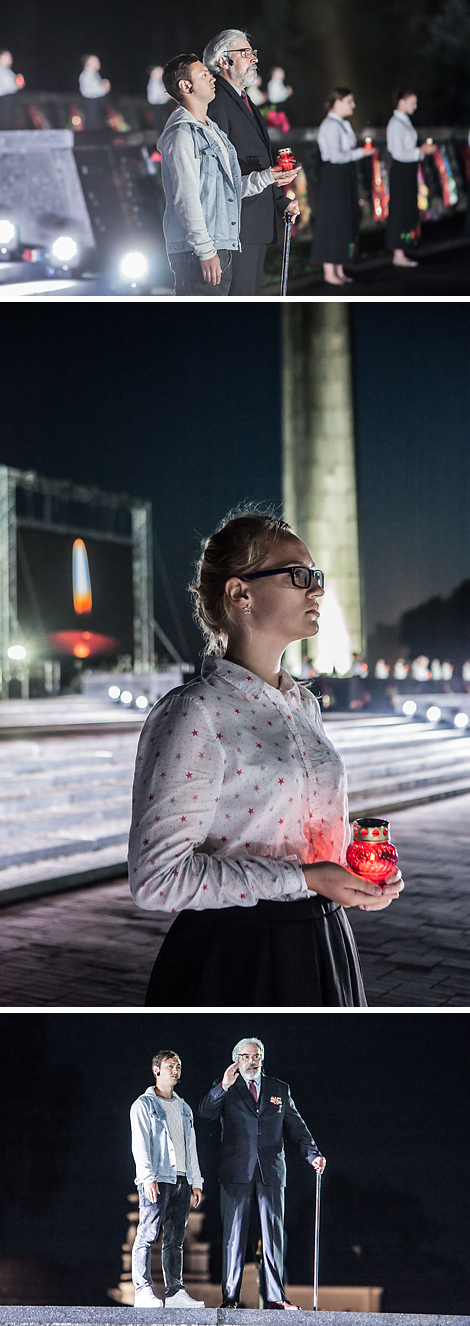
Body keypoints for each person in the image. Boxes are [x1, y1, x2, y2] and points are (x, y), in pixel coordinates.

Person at [128, 509, 403, 1007]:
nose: (316, 589)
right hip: (236, 954)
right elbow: (156, 880)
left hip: (322, 939)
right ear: (240, 593)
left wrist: (354, 872)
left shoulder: (303, 704)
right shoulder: (195, 712)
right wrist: (304, 878)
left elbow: (296, 840)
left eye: (316, 576)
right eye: (299, 575)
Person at [198, 1036, 326, 1309]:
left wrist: (313, 1154)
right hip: (235, 1171)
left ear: (262, 1059)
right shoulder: (227, 1089)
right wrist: (223, 1085)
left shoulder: (279, 1088)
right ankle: (230, 1297)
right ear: (236, 1061)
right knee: (234, 1236)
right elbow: (205, 1113)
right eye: (245, 1056)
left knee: (273, 1236)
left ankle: (276, 1297)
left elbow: (297, 1126)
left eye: (255, 1056)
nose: (251, 1061)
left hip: (271, 1171)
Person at [157, 53, 298, 296]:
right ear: (185, 86)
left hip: (221, 244)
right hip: (198, 251)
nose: (211, 77)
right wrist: (205, 251)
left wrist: (268, 176)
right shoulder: (181, 134)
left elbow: (228, 189)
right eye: (203, 74)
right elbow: (186, 199)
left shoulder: (214, 132)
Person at [203, 30, 299, 295]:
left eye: (253, 53)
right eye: (245, 53)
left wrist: (281, 201)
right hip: (235, 229)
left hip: (256, 221)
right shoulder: (217, 103)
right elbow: (219, 173)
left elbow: (255, 160)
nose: (254, 59)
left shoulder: (246, 100)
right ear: (224, 61)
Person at [130, 1049, 204, 1310]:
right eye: (170, 1066)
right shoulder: (144, 1105)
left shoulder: (184, 1108)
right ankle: (142, 1290)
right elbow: (140, 1144)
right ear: (156, 1070)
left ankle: (175, 1293)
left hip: (182, 1180)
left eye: (179, 1066)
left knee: (176, 1240)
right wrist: (147, 1177)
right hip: (157, 1179)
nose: (175, 1070)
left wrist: (196, 1181)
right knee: (147, 1233)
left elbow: (191, 1146)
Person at [310, 87, 373, 286]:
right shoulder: (330, 125)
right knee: (333, 220)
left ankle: (338, 268)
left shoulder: (342, 124)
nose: (353, 105)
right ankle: (329, 271)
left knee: (344, 218)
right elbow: (336, 156)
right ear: (337, 102)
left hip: (344, 173)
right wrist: (360, 154)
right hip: (334, 175)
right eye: (349, 101)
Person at [386, 89, 436, 267]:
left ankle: (403, 249)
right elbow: (397, 151)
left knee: (408, 208)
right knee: (400, 208)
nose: (415, 106)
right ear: (402, 102)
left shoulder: (404, 121)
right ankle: (398, 253)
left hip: (409, 168)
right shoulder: (395, 123)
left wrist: (420, 152)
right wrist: (420, 151)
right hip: (401, 169)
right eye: (412, 102)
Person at [78, 54, 111, 130]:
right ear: (87, 63)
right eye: (94, 61)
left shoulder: (95, 74)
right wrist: (104, 89)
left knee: (99, 125)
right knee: (92, 125)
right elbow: (91, 91)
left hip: (97, 101)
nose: (98, 63)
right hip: (90, 102)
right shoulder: (86, 75)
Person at [146, 64, 172, 131]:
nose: (161, 73)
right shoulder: (153, 84)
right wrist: (166, 95)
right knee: (159, 125)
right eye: (159, 72)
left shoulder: (159, 83)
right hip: (157, 106)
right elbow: (154, 98)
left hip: (162, 105)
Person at [0, 50, 21, 130]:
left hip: (9, 99)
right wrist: (15, 86)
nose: (10, 59)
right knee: (4, 124)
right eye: (7, 57)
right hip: (3, 99)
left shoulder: (8, 71)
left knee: (8, 123)